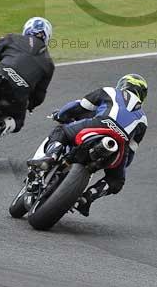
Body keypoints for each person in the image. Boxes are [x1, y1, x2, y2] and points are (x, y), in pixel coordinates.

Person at [28, 73, 148, 217]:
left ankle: (50, 157)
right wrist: (118, 166)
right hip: (120, 144)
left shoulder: (109, 91)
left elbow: (78, 106)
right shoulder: (143, 119)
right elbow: (130, 154)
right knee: (116, 181)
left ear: (123, 84)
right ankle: (87, 198)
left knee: (62, 131)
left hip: (100, 124)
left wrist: (60, 115)